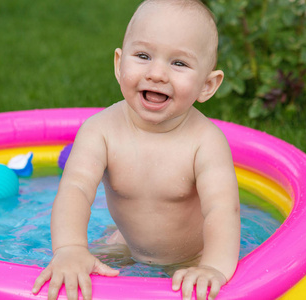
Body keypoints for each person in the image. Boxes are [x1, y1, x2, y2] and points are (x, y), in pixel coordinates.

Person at [32, 0, 240, 299]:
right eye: (143, 55)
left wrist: (213, 267)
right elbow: (75, 188)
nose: (156, 73)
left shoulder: (206, 143)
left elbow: (222, 209)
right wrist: (71, 249)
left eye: (179, 63)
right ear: (119, 64)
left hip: (193, 257)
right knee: (72, 277)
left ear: (207, 85)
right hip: (125, 246)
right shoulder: (99, 131)